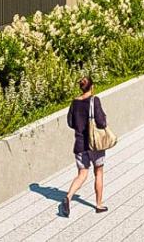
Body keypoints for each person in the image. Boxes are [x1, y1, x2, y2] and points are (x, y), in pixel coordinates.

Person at [60, 76, 108, 217]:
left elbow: (70, 123)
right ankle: (98, 205)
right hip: (95, 144)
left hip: (80, 144)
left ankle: (68, 197)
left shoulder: (74, 102)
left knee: (82, 174)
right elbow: (101, 122)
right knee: (98, 172)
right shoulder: (94, 100)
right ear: (92, 87)